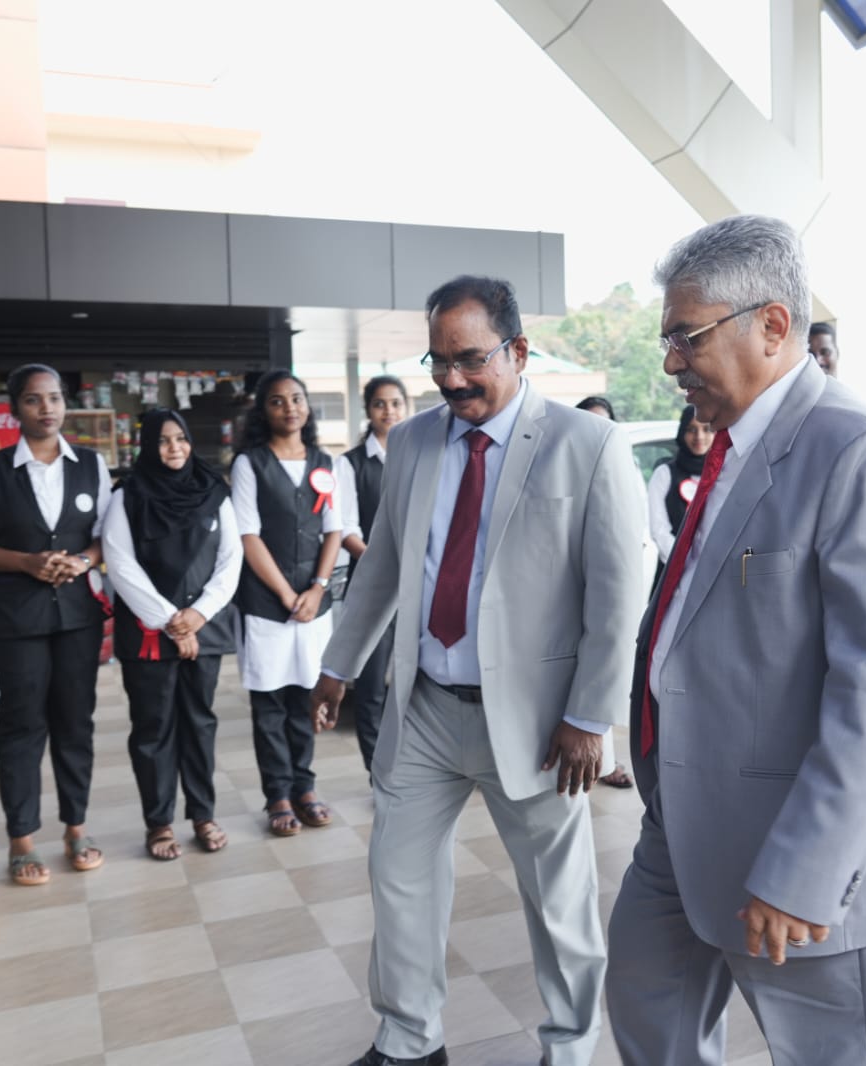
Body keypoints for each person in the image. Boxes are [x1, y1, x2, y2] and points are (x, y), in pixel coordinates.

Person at [604, 216, 866, 1066]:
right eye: (668, 339)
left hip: (789, 838)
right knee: (645, 995)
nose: (671, 362)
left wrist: (805, 869)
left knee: (830, 1050)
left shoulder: (863, 452)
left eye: (687, 336)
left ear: (772, 324)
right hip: (685, 816)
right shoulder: (727, 449)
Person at [312, 275, 645, 1066]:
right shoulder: (414, 442)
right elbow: (385, 566)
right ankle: (409, 1041)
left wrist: (589, 716)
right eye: (438, 361)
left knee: (558, 900)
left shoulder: (586, 445)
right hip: (426, 708)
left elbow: (617, 594)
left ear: (518, 350)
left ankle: (570, 1047)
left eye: (469, 359)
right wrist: (338, 664)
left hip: (536, 722)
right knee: (398, 877)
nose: (451, 378)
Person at [0, 363, 110, 886]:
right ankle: (21, 839)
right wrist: (26, 562)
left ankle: (76, 829)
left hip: (78, 617)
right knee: (22, 723)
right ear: (15, 408)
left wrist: (82, 562)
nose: (47, 408)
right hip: (15, 617)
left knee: (75, 721)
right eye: (34, 399)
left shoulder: (91, 465)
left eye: (55, 398)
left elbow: (108, 535)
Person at [102, 409, 241, 860]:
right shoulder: (127, 496)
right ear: (148, 446)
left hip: (205, 627)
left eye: (180, 438)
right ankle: (159, 823)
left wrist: (197, 616)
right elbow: (120, 563)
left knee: (200, 723)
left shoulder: (214, 491)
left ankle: (203, 814)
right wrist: (171, 621)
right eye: (163, 441)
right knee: (153, 728)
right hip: (148, 629)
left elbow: (231, 560)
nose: (174, 448)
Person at [233, 369, 342, 837]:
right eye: (277, 401)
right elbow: (248, 534)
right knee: (270, 702)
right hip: (266, 603)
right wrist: (286, 594)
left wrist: (317, 588)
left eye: (296, 398)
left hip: (314, 604)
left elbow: (334, 529)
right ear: (263, 411)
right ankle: (277, 794)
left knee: (306, 696)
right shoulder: (249, 464)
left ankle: (305, 787)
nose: (289, 407)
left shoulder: (324, 462)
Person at [333, 374, 409, 774]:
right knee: (371, 686)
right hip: (373, 590)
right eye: (380, 404)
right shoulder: (350, 464)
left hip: (418, 589)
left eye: (396, 403)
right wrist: (385, 565)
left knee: (418, 685)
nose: (389, 411)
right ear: (368, 410)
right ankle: (378, 775)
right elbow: (346, 529)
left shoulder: (420, 456)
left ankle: (411, 771)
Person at [572, 395, 635, 791]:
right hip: (567, 595)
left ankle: (604, 758)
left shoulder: (622, 469)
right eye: (589, 422)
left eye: (604, 423)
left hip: (609, 589)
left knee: (603, 669)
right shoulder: (560, 470)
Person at [645, 404, 714, 594]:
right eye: (691, 429)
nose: (699, 436)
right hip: (673, 574)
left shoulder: (723, 472)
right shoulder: (664, 474)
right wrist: (688, 563)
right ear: (682, 432)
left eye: (706, 429)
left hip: (713, 574)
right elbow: (659, 530)